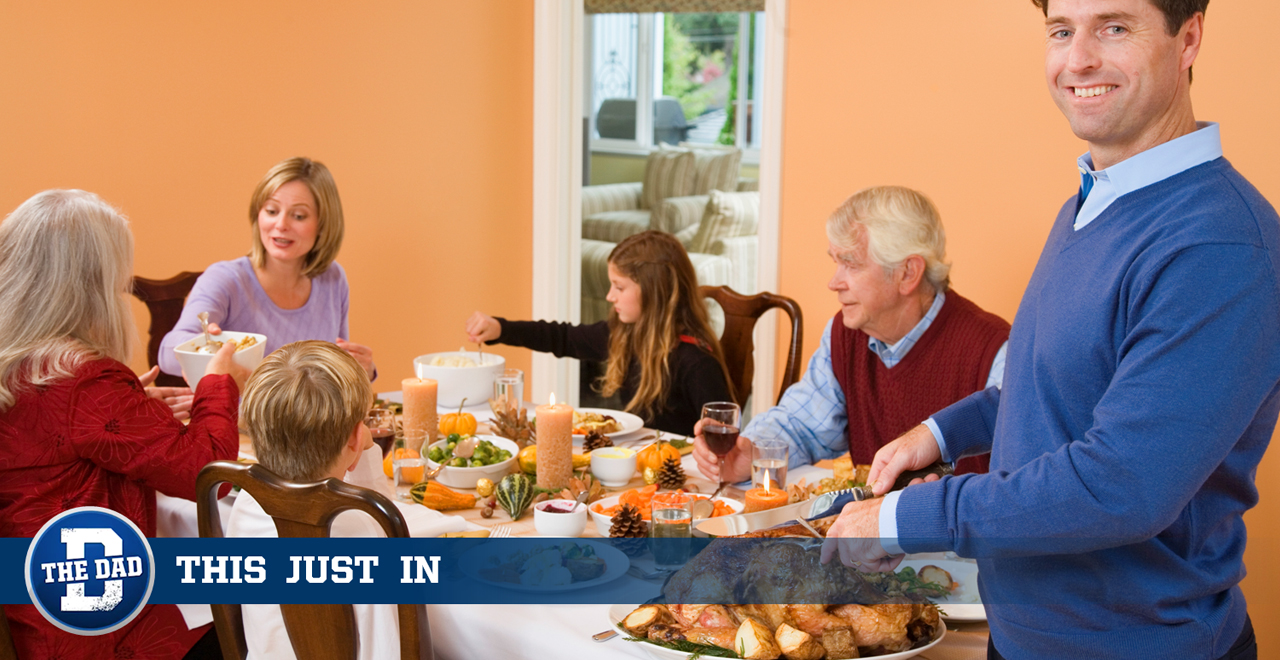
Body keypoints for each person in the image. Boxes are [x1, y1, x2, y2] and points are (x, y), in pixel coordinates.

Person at [825, 2, 1271, 659]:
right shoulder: (1089, 203)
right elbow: (1050, 389)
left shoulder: (1219, 243)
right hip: (1024, 637)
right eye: (1061, 31)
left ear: (1189, 39)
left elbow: (1121, 488)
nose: (1078, 58)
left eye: (1113, 27)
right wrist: (939, 434)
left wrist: (903, 519)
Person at [0, 189, 248, 659]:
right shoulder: (87, 379)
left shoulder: (24, 364)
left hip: (33, 606)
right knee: (258, 611)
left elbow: (62, 430)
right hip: (100, 626)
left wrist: (131, 403)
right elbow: (206, 473)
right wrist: (219, 384)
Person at [692, 186, 1010, 483]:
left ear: (907, 273)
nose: (834, 282)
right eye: (836, 262)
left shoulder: (995, 351)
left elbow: (1017, 488)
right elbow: (802, 426)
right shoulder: (846, 334)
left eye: (851, 264)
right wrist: (750, 453)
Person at [228, 341, 440, 660]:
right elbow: (386, 650)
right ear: (358, 436)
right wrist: (364, 452)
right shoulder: (364, 534)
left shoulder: (246, 503)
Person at [466, 230, 733, 435]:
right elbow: (563, 338)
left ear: (653, 292)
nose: (609, 296)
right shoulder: (624, 334)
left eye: (619, 287)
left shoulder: (696, 363)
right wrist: (501, 329)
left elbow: (724, 436)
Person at [158, 156, 376, 382]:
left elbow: (335, 373)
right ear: (257, 215)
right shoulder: (224, 279)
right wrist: (206, 351)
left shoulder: (333, 279)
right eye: (272, 211)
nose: (281, 224)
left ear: (323, 225)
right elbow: (167, 354)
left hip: (309, 418)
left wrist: (360, 370)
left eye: (299, 216)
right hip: (238, 417)